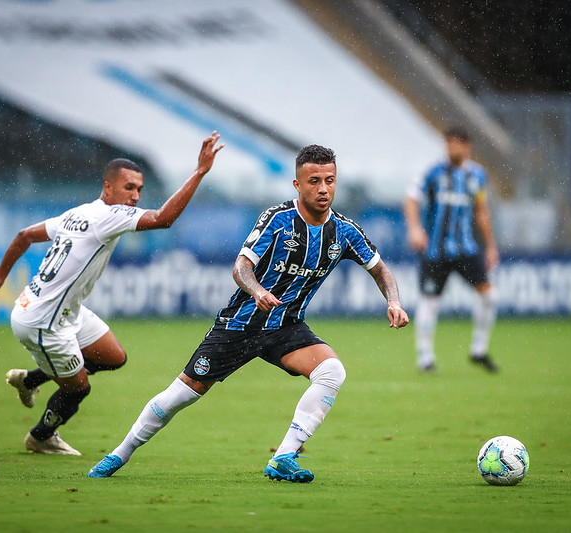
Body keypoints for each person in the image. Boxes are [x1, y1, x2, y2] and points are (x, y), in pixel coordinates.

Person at [87, 144, 410, 482]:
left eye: (330, 180)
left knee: (332, 371)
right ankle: (118, 454)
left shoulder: (344, 231)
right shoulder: (277, 219)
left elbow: (380, 270)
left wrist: (394, 301)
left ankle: (284, 456)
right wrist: (257, 291)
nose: (323, 188)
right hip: (240, 326)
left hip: (286, 327)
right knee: (180, 396)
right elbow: (241, 267)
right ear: (297, 185)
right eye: (314, 180)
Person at [0, 132, 224, 455]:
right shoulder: (108, 216)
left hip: (63, 310)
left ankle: (32, 380)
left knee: (112, 356)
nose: (135, 196)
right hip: (42, 321)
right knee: (78, 388)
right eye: (128, 188)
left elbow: (24, 236)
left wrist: (1, 273)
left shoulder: (79, 213)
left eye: (139, 189)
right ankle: (41, 436)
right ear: (108, 187)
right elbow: (164, 218)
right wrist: (200, 171)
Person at [404, 127, 500, 373]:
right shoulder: (434, 172)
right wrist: (414, 229)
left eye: (455, 144)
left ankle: (478, 349)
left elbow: (481, 211)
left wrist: (490, 246)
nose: (450, 149)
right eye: (447, 144)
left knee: (489, 296)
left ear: (466, 146)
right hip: (435, 251)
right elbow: (411, 198)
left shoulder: (477, 176)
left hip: (466, 249)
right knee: (430, 302)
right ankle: (425, 357)